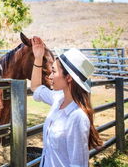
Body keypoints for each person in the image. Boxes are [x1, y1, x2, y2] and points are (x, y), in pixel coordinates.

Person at [31, 36, 102, 167]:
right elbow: (36, 87)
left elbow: (78, 164)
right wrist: (38, 57)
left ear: (68, 78)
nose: (50, 76)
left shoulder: (78, 118)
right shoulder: (58, 99)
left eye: (54, 71)